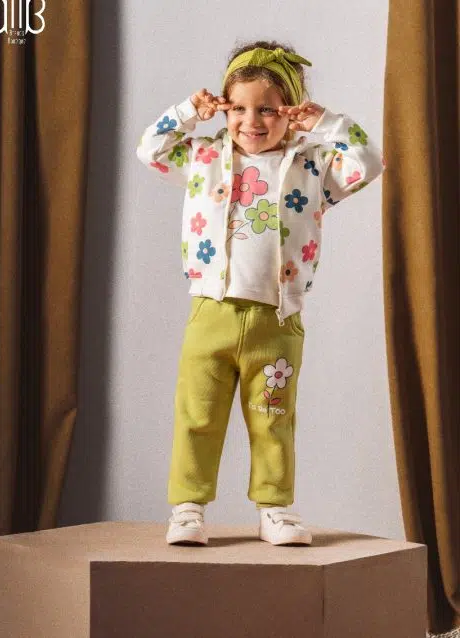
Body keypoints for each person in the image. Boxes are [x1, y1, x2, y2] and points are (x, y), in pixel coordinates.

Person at [136, 39, 386, 546]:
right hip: (211, 312)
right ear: (225, 109)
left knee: (274, 418)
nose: (251, 121)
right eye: (239, 108)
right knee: (198, 415)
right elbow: (150, 149)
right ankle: (187, 507)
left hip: (278, 319)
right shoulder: (205, 156)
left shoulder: (314, 167)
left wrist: (326, 123)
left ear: (291, 112)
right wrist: (189, 112)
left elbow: (370, 162)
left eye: (268, 109)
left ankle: (274, 509)